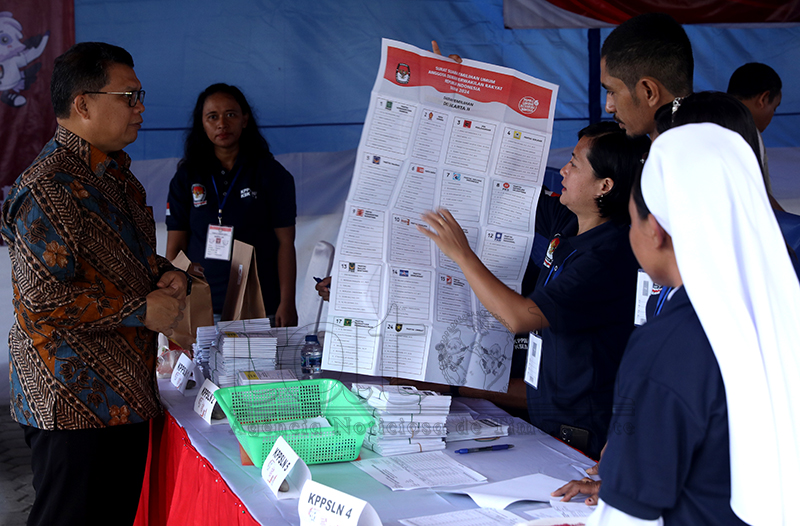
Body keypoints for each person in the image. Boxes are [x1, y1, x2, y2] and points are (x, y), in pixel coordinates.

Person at [0, 42, 188, 526]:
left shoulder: (116, 177)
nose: (141, 108)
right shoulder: (48, 187)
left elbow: (119, 261)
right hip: (71, 403)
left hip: (125, 398)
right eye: (129, 96)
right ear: (83, 104)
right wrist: (141, 310)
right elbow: (42, 301)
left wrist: (164, 273)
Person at [589, 123, 800, 525]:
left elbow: (628, 516)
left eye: (632, 221)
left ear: (657, 230)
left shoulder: (670, 345)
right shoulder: (783, 311)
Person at [419, 122, 649, 459]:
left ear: (604, 185)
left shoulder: (607, 256)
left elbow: (519, 317)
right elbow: (508, 186)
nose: (564, 171)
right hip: (548, 423)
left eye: (574, 163)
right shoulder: (570, 223)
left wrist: (462, 254)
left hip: (582, 434)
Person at [166, 83, 298, 326]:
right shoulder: (187, 177)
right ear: (202, 123)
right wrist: (173, 300)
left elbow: (286, 243)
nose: (222, 124)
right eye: (212, 117)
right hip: (200, 306)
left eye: (231, 115)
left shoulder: (271, 174)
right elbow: (175, 248)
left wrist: (287, 302)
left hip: (259, 305)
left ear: (245, 120)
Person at [600, 13, 693, 139]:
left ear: (649, 91)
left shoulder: (675, 155)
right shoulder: (718, 143)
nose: (609, 107)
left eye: (612, 92)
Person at [727, 62, 782, 205]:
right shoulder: (750, 132)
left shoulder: (706, 123)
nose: (772, 115)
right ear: (763, 99)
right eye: (774, 108)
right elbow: (760, 198)